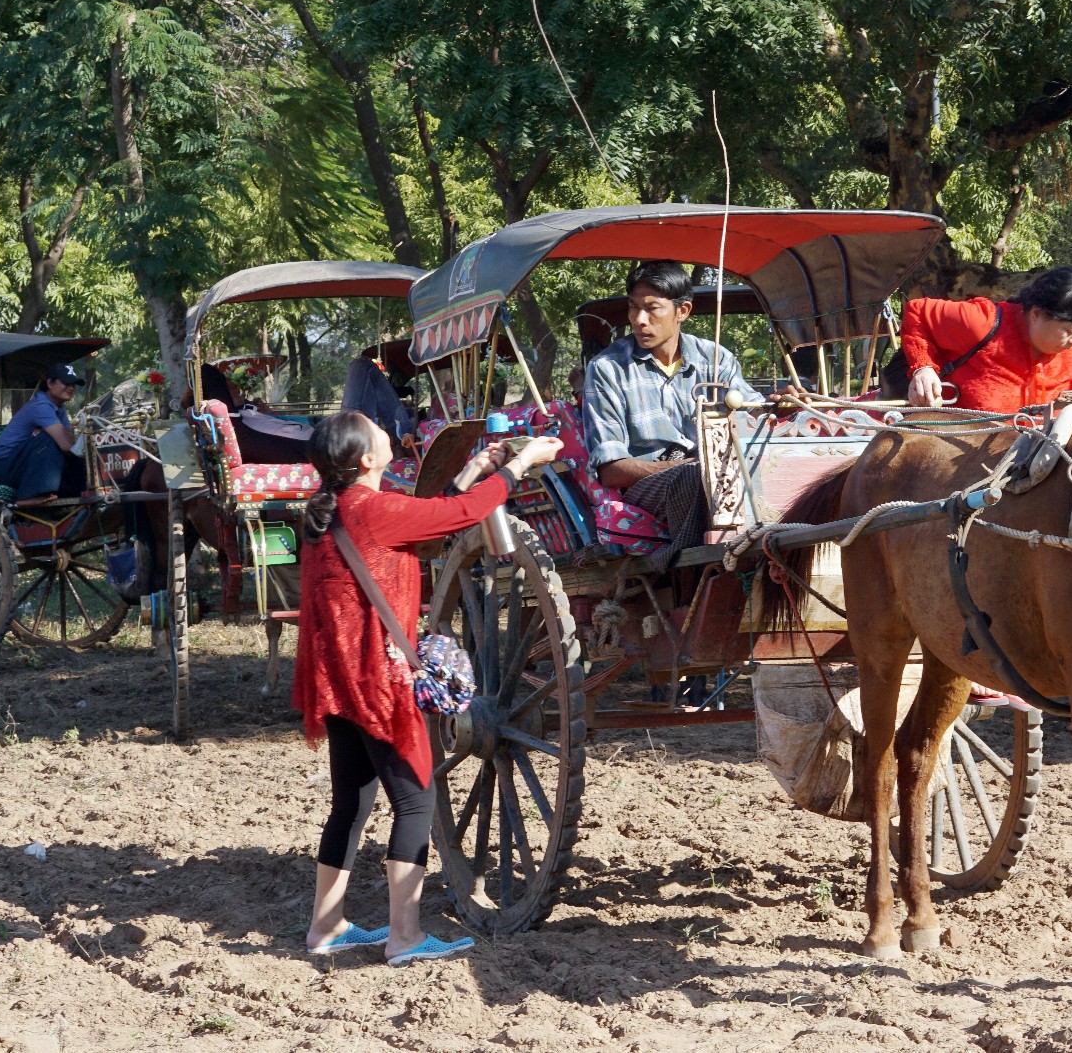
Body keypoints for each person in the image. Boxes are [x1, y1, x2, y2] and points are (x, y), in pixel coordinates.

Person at [293, 410, 563, 966]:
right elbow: (460, 515)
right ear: (366, 458)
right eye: (377, 428)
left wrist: (474, 472)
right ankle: (405, 937)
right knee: (416, 800)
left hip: (339, 682)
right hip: (378, 683)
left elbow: (428, 521)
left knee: (353, 800)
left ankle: (325, 926)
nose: (387, 430)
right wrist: (520, 465)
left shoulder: (336, 513)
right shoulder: (372, 510)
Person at [580, 260, 761, 563]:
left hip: (714, 474)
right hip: (647, 488)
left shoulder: (716, 359)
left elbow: (752, 417)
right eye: (634, 307)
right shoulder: (607, 368)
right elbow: (610, 470)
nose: (639, 320)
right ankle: (687, 575)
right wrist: (692, 468)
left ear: (683, 311)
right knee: (692, 480)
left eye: (652, 308)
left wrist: (783, 404)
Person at [899, 266, 1072, 411]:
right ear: (1036, 314)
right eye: (1069, 330)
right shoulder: (981, 323)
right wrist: (923, 368)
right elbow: (917, 312)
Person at [0, 363, 89, 503]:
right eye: (66, 382)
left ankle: (75, 496)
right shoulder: (41, 406)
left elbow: (72, 445)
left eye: (74, 384)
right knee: (49, 439)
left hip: (25, 463)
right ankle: (28, 497)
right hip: (7, 468)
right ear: (49, 383)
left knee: (78, 459)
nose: (71, 387)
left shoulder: (59, 408)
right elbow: (67, 446)